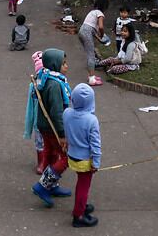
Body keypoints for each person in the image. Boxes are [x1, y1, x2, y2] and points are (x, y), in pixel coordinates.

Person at [29, 48, 73, 207]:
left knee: (53, 156)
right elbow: (56, 112)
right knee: (65, 158)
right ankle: (42, 186)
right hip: (52, 128)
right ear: (55, 64)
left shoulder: (45, 77)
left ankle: (52, 185)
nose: (67, 66)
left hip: (44, 126)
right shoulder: (54, 85)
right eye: (64, 63)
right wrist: (62, 134)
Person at [63, 83, 101, 227]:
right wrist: (96, 163)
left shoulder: (67, 113)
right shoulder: (92, 120)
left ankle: (82, 206)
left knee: (81, 183)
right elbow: (95, 145)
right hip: (85, 160)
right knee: (83, 187)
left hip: (72, 156)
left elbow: (66, 131)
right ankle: (78, 215)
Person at [78, 0, 109, 86]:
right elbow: (101, 27)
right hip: (87, 33)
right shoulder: (100, 14)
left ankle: (90, 75)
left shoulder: (92, 12)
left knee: (89, 53)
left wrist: (99, 39)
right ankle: (91, 79)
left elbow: (92, 30)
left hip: (82, 31)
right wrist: (102, 34)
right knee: (91, 55)